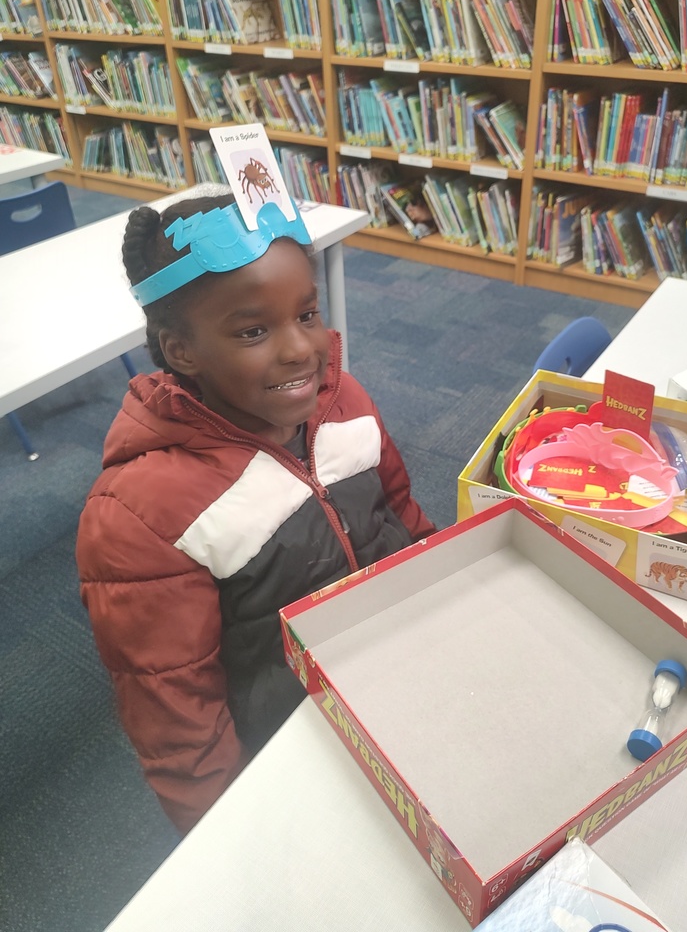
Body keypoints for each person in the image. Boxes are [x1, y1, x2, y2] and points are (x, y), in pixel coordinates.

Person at [76, 191, 435, 835]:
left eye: (307, 313)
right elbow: (176, 715)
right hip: (298, 738)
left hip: (400, 670)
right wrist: (231, 839)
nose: (302, 349)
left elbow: (404, 519)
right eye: (253, 331)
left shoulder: (343, 401)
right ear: (181, 351)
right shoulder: (142, 513)